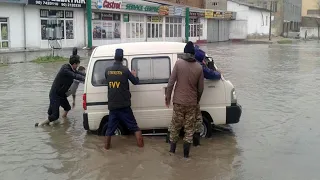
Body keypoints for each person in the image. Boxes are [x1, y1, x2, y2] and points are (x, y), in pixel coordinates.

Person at [165, 41, 204, 158]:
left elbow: (171, 83)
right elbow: (201, 89)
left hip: (178, 102)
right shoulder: (199, 67)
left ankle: (172, 152)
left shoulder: (178, 64)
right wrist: (197, 100)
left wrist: (167, 97)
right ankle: (186, 157)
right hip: (191, 103)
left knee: (175, 127)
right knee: (189, 130)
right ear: (193, 54)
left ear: (185, 52)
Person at [104, 49, 144, 150]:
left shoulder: (107, 71)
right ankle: (141, 149)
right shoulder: (125, 70)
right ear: (122, 58)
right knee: (135, 127)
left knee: (109, 130)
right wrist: (134, 75)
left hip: (113, 106)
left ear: (114, 57)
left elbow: (108, 81)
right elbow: (135, 82)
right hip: (124, 106)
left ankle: (106, 149)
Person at [35, 54, 86, 127]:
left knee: (67, 108)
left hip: (61, 95)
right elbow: (75, 75)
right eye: (77, 65)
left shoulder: (72, 69)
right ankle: (40, 124)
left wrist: (87, 76)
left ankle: (62, 121)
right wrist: (84, 79)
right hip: (55, 94)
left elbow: (78, 73)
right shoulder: (65, 68)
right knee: (55, 116)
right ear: (74, 64)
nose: (77, 66)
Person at [192, 49, 222, 146]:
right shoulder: (199, 66)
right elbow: (211, 75)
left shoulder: (182, 63)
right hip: (192, 100)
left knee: (175, 125)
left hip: (179, 99)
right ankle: (195, 146)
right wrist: (219, 73)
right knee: (197, 122)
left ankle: (171, 148)